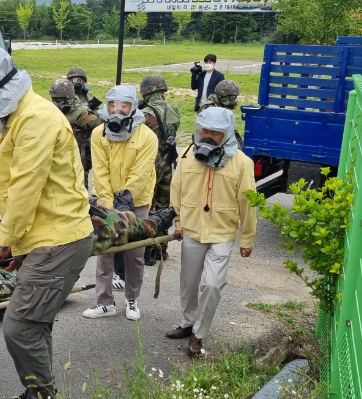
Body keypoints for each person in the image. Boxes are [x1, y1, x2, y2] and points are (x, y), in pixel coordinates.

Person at [0, 44, 93, 399]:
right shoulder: (19, 116)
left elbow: (24, 188)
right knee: (36, 324)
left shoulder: (35, 119)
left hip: (57, 239)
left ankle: (42, 394)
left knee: (20, 327)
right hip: (40, 237)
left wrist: (2, 243)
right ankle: (40, 390)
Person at [166, 107, 256, 355]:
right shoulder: (187, 156)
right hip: (192, 229)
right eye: (203, 130)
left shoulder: (242, 163)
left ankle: (199, 333)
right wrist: (179, 223)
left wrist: (247, 237)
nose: (208, 135)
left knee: (214, 284)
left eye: (215, 132)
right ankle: (186, 323)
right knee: (188, 282)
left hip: (222, 232)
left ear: (226, 134)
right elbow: (177, 190)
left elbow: (248, 203)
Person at [82, 85, 158, 322]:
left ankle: (131, 299)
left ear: (133, 106)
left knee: (134, 252)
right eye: (113, 104)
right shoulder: (99, 134)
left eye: (124, 105)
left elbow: (141, 172)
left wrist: (124, 201)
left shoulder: (147, 136)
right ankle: (104, 302)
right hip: (106, 201)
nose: (118, 109)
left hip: (137, 200)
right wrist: (106, 203)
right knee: (104, 248)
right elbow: (100, 170)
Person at [139, 74, 180, 265]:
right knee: (164, 207)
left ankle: (147, 249)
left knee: (146, 206)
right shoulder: (174, 111)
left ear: (146, 91)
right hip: (167, 164)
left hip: (150, 165)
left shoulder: (145, 113)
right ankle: (162, 249)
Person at [48, 78, 102, 188]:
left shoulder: (82, 113)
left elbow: (101, 129)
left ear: (68, 98)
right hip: (61, 155)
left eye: (59, 99)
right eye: (54, 98)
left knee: (80, 185)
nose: (56, 102)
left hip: (79, 156)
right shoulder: (54, 109)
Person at [199, 79, 243, 149]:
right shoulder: (209, 109)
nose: (233, 100)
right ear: (224, 96)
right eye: (232, 97)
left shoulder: (219, 106)